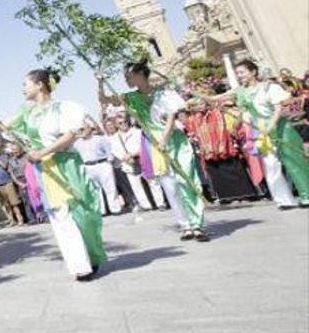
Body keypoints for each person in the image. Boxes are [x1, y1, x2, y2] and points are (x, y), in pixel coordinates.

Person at [0, 68, 107, 281]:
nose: (22, 89)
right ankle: (80, 265)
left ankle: (91, 255)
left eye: (25, 84)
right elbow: (1, 127)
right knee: (60, 215)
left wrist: (44, 152)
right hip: (44, 169)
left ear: (40, 85)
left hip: (66, 164)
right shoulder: (26, 112)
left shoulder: (64, 108)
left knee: (82, 214)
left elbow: (70, 135)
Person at [98, 63, 210, 242]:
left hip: (175, 141)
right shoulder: (130, 97)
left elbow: (172, 118)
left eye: (129, 76)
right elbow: (104, 100)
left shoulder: (165, 93)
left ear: (141, 73)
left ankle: (197, 224)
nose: (127, 80)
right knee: (170, 186)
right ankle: (185, 225)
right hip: (154, 144)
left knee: (186, 181)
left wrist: (164, 140)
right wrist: (100, 82)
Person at [216, 60, 309, 209]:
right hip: (261, 132)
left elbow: (278, 108)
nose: (239, 76)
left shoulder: (269, 87)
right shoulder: (241, 91)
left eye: (242, 72)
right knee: (270, 165)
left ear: (253, 72)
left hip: (280, 128)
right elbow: (219, 97)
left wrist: (270, 126)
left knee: (294, 161)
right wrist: (202, 97)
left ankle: (307, 196)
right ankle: (284, 200)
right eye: (237, 73)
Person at [73, 121, 124, 215]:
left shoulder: (100, 139)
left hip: (102, 164)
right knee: (95, 190)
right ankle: (102, 211)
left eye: (83, 129)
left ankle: (115, 209)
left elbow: (109, 152)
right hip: (88, 166)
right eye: (80, 130)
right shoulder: (77, 143)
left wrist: (109, 163)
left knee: (110, 188)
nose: (81, 131)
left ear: (89, 128)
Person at [0, 141, 26, 225]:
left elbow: (4, 166)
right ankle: (12, 220)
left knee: (14, 203)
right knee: (6, 204)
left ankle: (20, 219)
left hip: (7, 182)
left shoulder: (4, 156)